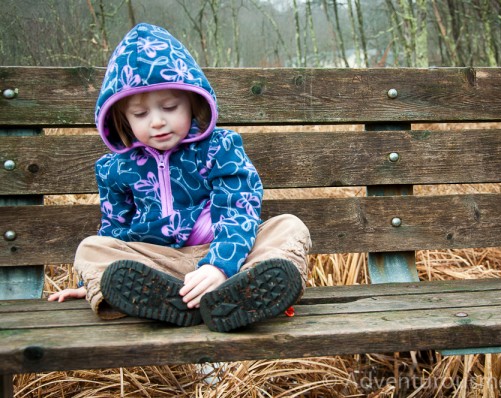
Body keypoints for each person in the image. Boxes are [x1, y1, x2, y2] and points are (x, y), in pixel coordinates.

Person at [48, 23, 311, 333]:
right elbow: (114, 230)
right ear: (122, 118)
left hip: (228, 256)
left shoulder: (219, 147)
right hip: (160, 267)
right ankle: (173, 300)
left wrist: (219, 266)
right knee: (90, 248)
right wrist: (90, 281)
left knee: (290, 227)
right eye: (141, 114)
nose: (158, 121)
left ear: (191, 101)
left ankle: (238, 294)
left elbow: (238, 206)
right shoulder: (115, 168)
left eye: (170, 107)